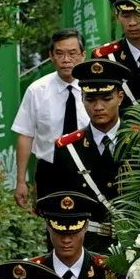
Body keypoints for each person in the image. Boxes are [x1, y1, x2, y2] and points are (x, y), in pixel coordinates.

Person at [51, 59, 129, 253]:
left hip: (136, 247)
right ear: (82, 99)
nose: (98, 107)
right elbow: (55, 212)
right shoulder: (67, 149)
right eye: (91, 99)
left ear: (120, 97)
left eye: (106, 98)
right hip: (87, 249)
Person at [12, 29, 89, 208]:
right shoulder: (37, 90)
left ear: (83, 55)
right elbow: (25, 135)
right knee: (52, 222)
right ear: (51, 56)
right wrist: (21, 181)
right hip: (50, 171)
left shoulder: (95, 88)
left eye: (72, 53)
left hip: (89, 168)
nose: (66, 59)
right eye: (60, 53)